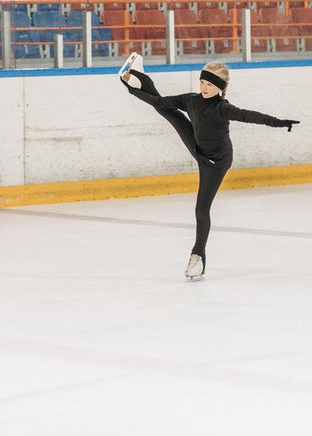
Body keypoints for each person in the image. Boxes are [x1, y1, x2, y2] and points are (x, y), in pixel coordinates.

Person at [119, 54, 299, 280]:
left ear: (221, 88)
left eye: (210, 84)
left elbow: (249, 116)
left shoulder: (223, 108)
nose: (204, 87)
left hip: (217, 162)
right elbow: (160, 102)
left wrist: (279, 122)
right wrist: (133, 89)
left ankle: (198, 257)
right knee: (165, 109)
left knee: (201, 210)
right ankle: (141, 73)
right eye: (202, 82)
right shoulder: (192, 100)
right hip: (198, 148)